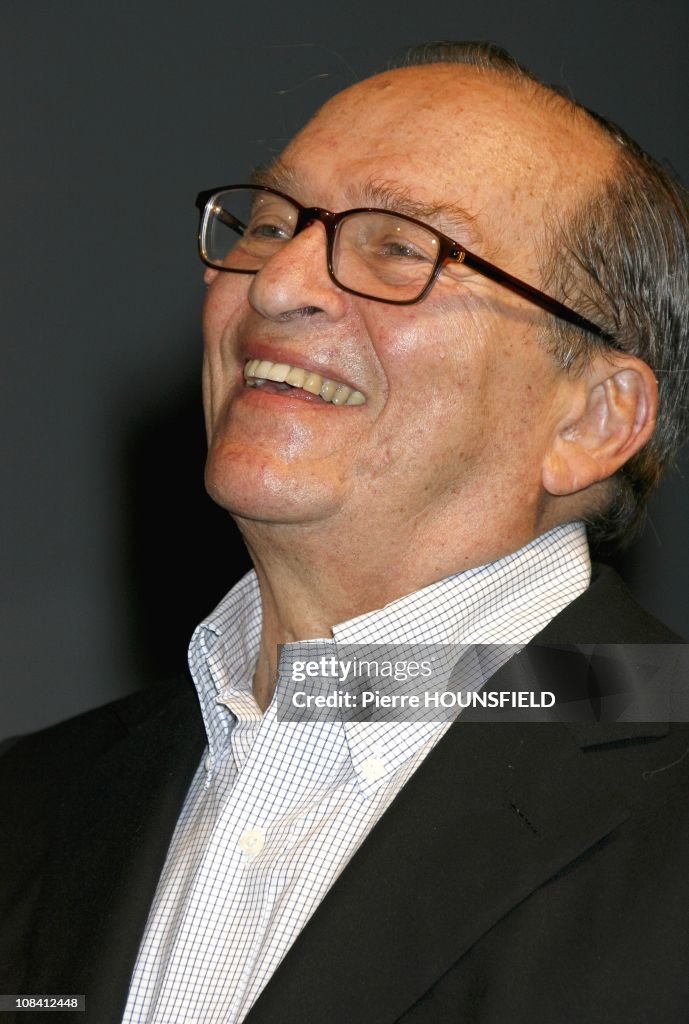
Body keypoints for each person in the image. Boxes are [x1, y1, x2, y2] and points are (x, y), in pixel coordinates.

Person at [2, 40, 689, 1024]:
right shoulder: (29, 805)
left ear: (588, 420)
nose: (276, 283)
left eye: (400, 248)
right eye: (271, 222)